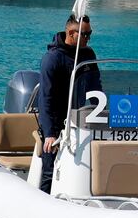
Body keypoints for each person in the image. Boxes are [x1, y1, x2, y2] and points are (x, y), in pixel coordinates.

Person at [35, 14, 103, 194]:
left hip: (79, 122)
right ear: (72, 33)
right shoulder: (52, 59)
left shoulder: (88, 54)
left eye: (90, 34)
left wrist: (105, 115)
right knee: (50, 172)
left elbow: (96, 89)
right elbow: (45, 98)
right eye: (86, 34)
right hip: (56, 125)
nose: (89, 38)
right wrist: (49, 133)